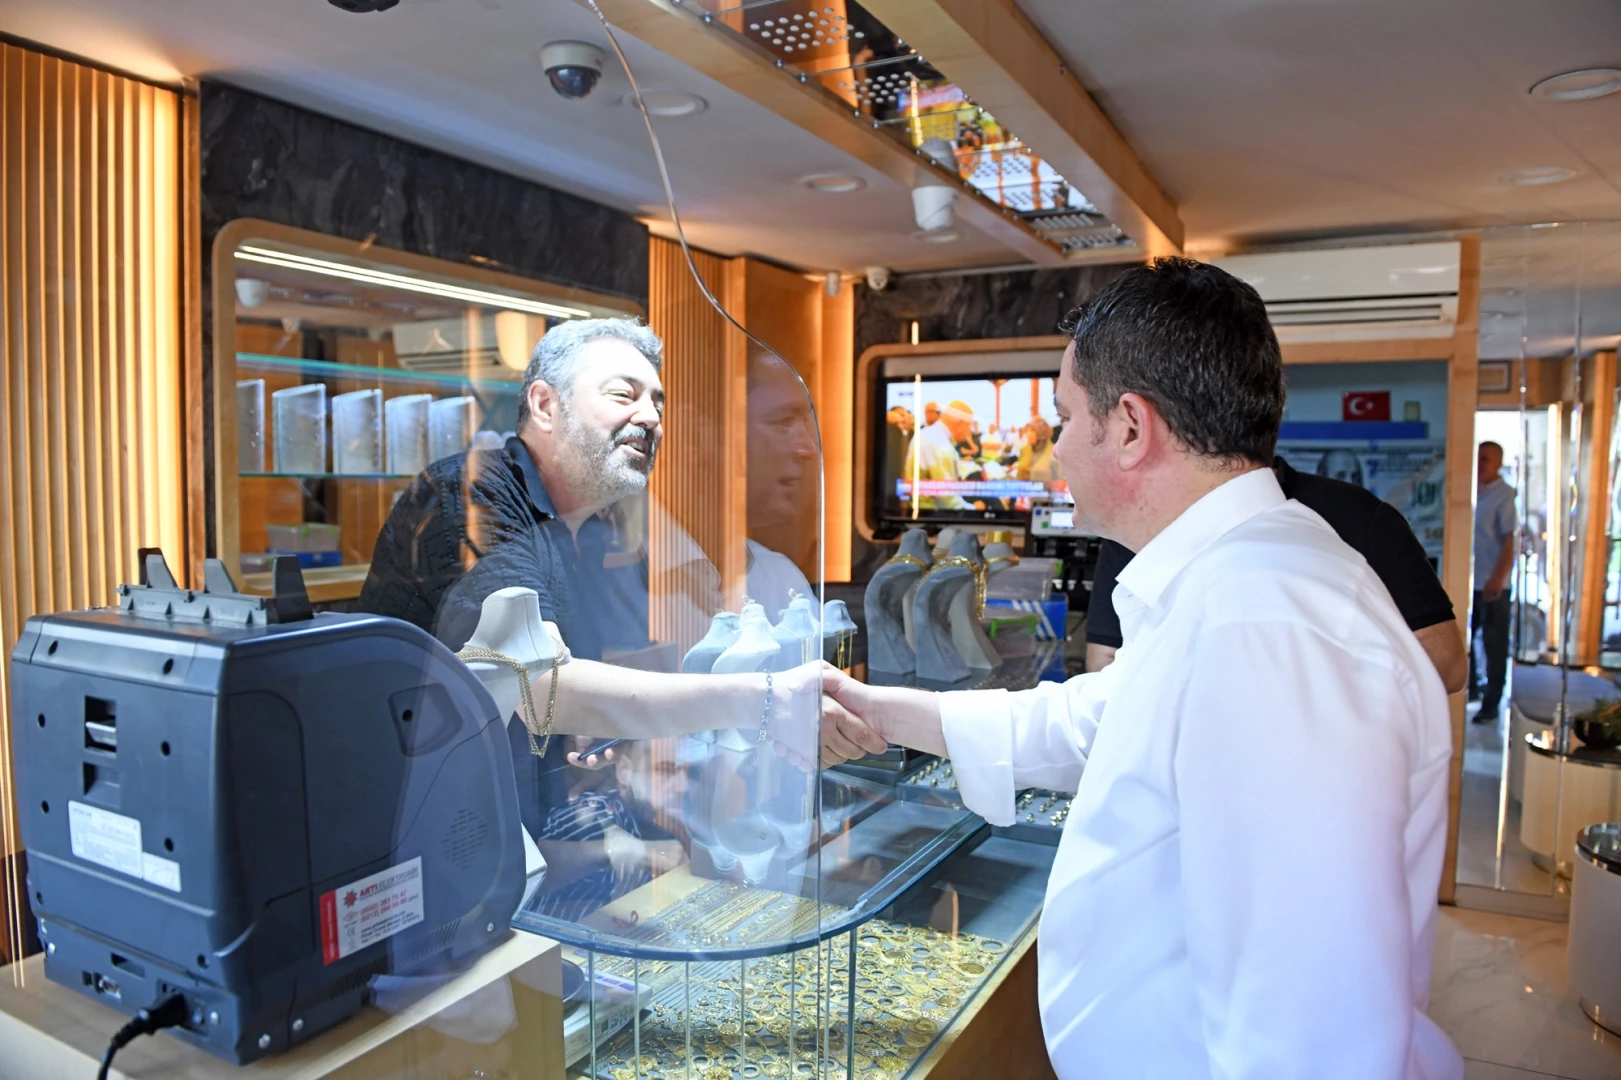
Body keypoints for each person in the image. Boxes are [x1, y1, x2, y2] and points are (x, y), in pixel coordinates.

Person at [822, 258, 1461, 1080]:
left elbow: (1307, 1033)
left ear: (1129, 427)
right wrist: (875, 710)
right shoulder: (1236, 577)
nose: (1053, 450)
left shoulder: (1264, 623)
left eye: (1063, 417)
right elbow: (1095, 720)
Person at [1085, 456, 1468, 693]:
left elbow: (1447, 665)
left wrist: (1281, 695)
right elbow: (1104, 664)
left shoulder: (1355, 515)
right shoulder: (1136, 529)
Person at [1472, 440, 1517, 722]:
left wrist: (1498, 578)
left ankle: (1491, 705)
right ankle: (1471, 692)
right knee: (1467, 640)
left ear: (1499, 463)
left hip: (1493, 584)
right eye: (1478, 458)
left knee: (1494, 646)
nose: (1481, 464)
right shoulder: (1470, 489)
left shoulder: (1505, 495)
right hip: (1470, 581)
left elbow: (1511, 540)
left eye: (1486, 459)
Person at [901, 399, 975, 509]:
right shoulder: (941, 445)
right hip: (932, 513)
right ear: (960, 422)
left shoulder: (926, 434)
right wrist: (975, 509)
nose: (971, 430)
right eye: (970, 425)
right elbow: (948, 501)